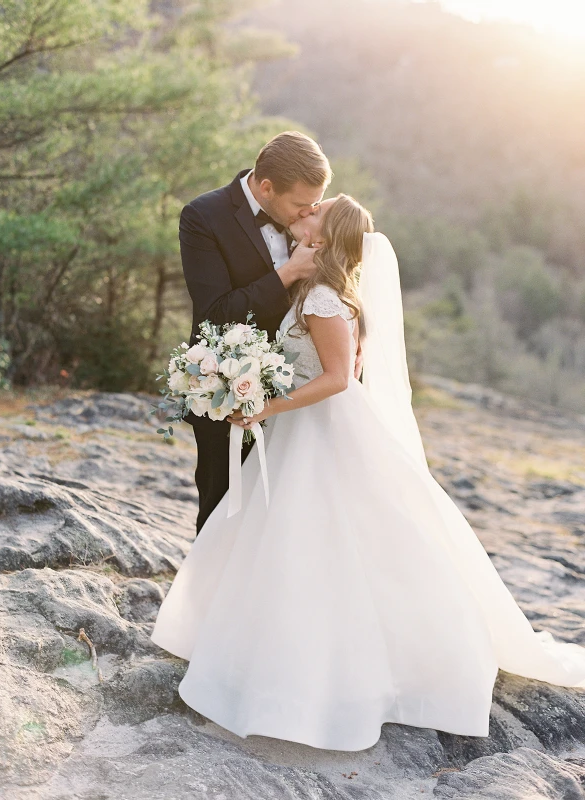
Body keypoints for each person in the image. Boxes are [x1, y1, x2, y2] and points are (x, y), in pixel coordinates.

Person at [151, 194, 585, 752]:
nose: (301, 214)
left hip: (324, 428)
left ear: (326, 238)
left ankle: (336, 673)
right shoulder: (316, 288)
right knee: (297, 539)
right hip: (306, 429)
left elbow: (335, 379)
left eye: (314, 213)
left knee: (326, 536)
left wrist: (265, 407)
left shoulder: (326, 298)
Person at [179, 130, 336, 534]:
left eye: (315, 204)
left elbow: (345, 287)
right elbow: (214, 314)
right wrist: (289, 273)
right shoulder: (202, 217)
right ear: (266, 188)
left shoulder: (312, 214)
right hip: (228, 389)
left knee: (291, 518)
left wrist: (354, 343)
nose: (309, 214)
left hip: (301, 397)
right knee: (223, 510)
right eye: (301, 205)